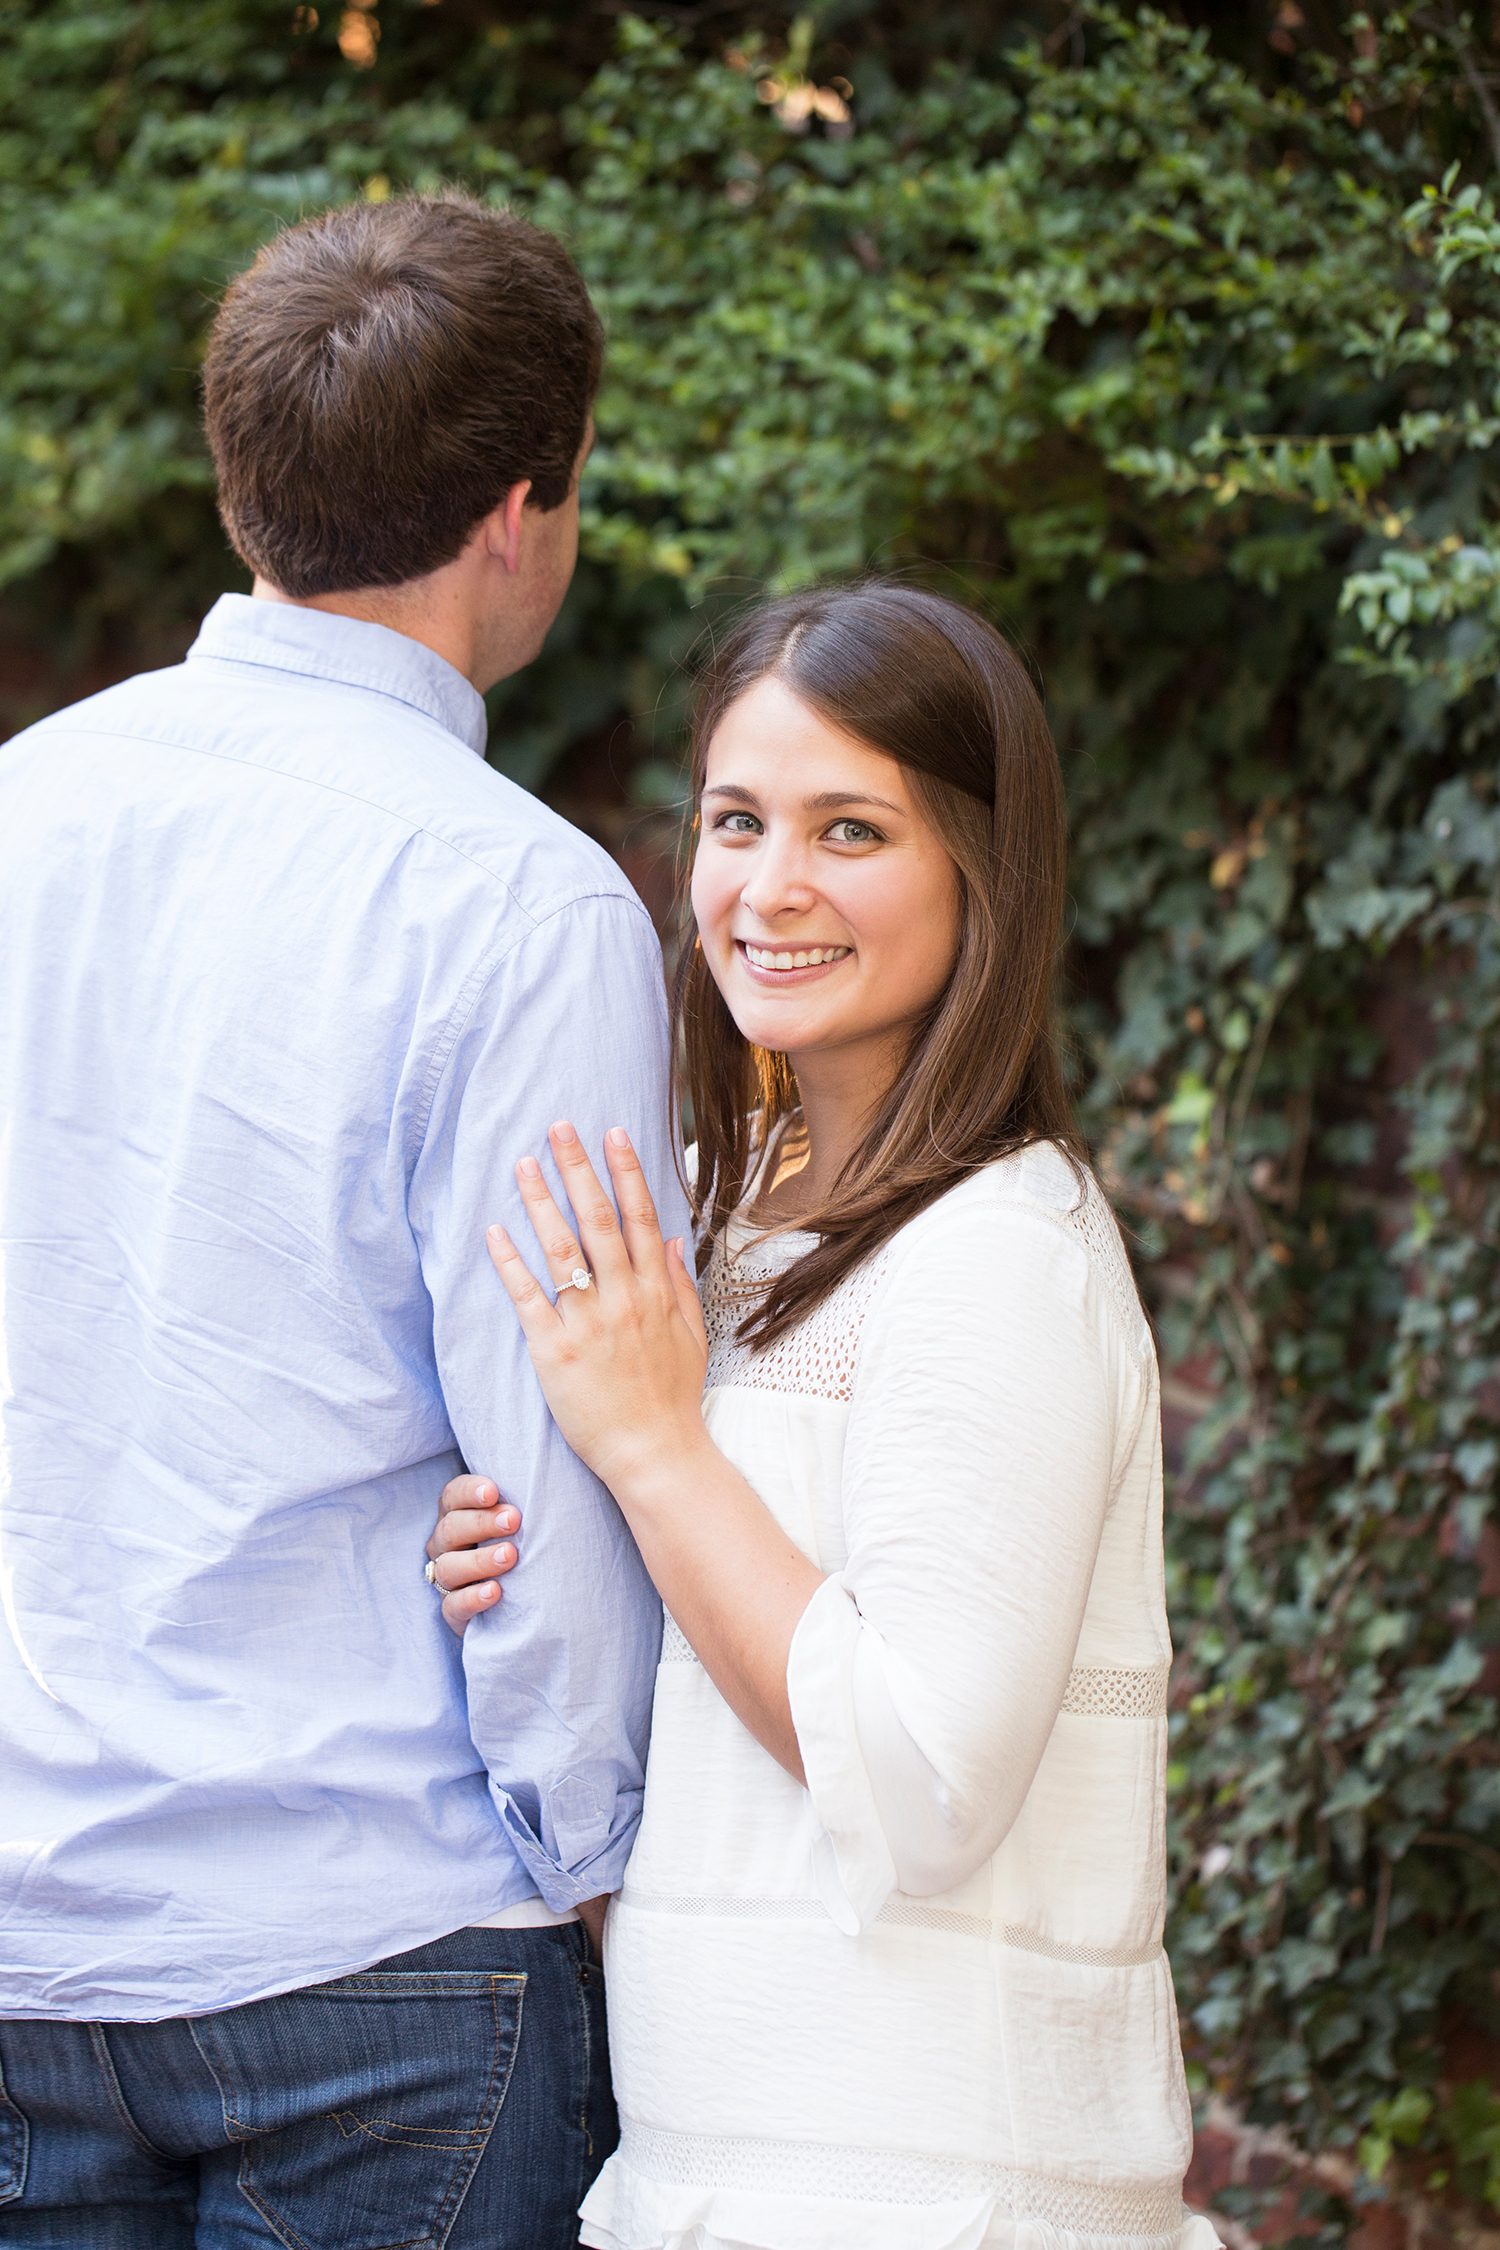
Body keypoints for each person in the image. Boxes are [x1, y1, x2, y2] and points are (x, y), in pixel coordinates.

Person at [0, 193, 687, 2246]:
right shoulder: (524, 903)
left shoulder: (17, 820)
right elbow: (556, 1453)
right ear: (520, 510)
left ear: (240, 489)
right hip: (384, 1953)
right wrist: (601, 1877)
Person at [425, 582, 1220, 2250]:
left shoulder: (1002, 1249)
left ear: (979, 873)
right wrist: (510, 1542)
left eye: (850, 829)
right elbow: (707, 1656)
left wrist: (651, 1450)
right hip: (704, 2152)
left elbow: (926, 1779)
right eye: (736, 819)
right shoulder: (713, 1214)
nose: (769, 887)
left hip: (931, 2185)